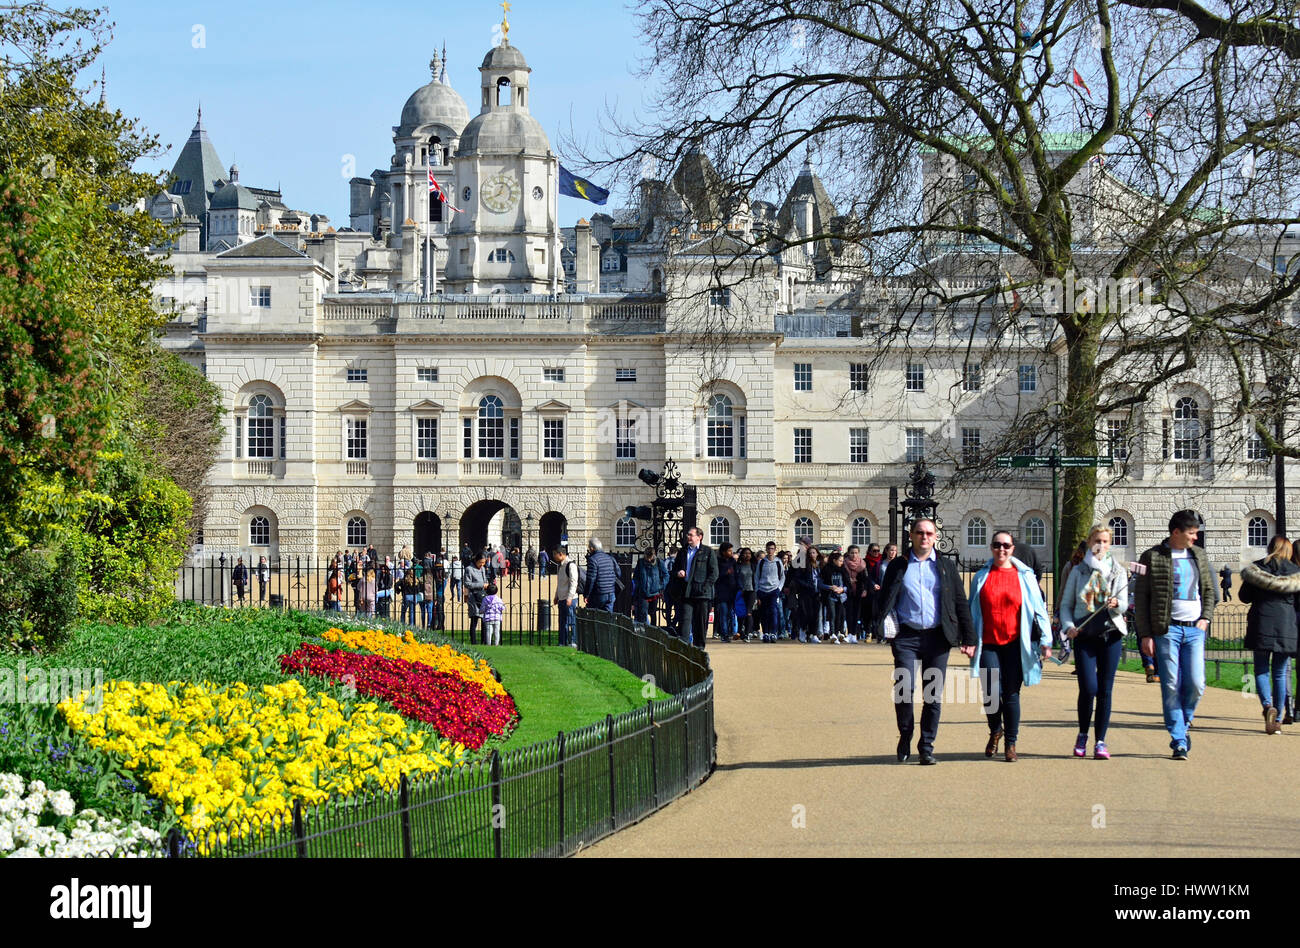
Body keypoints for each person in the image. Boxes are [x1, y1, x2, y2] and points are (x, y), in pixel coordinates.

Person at [876, 518, 977, 764]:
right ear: (910, 536)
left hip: (937, 636)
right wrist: (881, 623)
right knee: (904, 690)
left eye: (929, 533)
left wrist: (970, 638)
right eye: (920, 532)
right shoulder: (898, 566)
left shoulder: (945, 566)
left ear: (935, 537)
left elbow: (960, 602)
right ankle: (906, 734)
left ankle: (927, 746)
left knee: (933, 694)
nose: (924, 537)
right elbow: (883, 599)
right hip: (907, 636)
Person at [1134, 510, 1218, 760]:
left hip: (1194, 629)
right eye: (1191, 533)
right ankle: (1178, 739)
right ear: (1176, 533)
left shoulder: (1199, 555)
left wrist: (1206, 618)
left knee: (1196, 683)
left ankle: (1185, 720)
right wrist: (1145, 635)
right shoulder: (1152, 556)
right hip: (1166, 628)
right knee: (1170, 683)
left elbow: (1209, 590)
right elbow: (1141, 597)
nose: (1195, 538)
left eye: (1196, 533)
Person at [968, 531, 1052, 762]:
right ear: (991, 547)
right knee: (991, 693)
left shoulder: (1025, 576)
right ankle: (996, 729)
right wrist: (967, 640)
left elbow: (1039, 610)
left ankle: (1010, 743)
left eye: (1006, 545)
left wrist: (1046, 640)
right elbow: (970, 610)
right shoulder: (981, 576)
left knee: (1011, 694)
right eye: (997, 545)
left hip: (1016, 643)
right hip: (989, 643)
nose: (1001, 549)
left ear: (1013, 548)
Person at [1058, 524, 1129, 759]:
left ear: (1110, 544)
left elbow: (1125, 603)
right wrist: (1069, 627)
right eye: (1097, 541)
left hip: (1110, 634)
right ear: (1090, 542)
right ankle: (1082, 734)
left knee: (1105, 691)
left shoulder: (1118, 571)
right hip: (1085, 636)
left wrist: (1117, 604)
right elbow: (1066, 605)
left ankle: (1101, 741)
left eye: (1106, 541)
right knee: (1089, 688)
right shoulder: (1078, 571)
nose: (1101, 545)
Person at [1239, 536, 1299, 735]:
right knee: (1281, 673)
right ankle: (1279, 719)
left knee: (1261, 669)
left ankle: (1267, 706)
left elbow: (1244, 597)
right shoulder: (1295, 573)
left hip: (1261, 621)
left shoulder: (1256, 569)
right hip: (1286, 625)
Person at [668, 527, 718, 647]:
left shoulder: (708, 551)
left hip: (701, 594)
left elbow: (714, 573)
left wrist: (704, 587)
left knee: (700, 624)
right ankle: (684, 649)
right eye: (688, 535)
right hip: (686, 592)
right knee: (684, 621)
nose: (688, 537)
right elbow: (673, 570)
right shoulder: (683, 551)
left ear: (699, 537)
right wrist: (678, 573)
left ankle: (699, 649)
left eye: (691, 535)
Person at [755, 541, 786, 642]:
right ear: (766, 549)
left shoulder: (778, 562)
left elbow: (782, 576)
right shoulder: (762, 562)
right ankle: (766, 633)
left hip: (774, 590)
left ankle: (773, 632)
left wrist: (779, 588)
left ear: (775, 549)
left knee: (773, 611)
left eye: (772, 548)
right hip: (762, 590)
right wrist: (757, 589)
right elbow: (757, 576)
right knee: (764, 613)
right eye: (768, 548)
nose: (770, 551)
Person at [870, 544, 899, 642]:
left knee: (894, 614)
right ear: (886, 551)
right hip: (882, 592)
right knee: (882, 614)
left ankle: (893, 635)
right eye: (891, 550)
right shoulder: (880, 564)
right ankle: (881, 635)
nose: (892, 552)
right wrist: (874, 584)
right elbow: (871, 578)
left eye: (894, 550)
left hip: (894, 593)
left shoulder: (899, 564)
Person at [634, 548, 670, 626]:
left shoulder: (659, 562)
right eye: (647, 557)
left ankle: (653, 632)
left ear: (653, 556)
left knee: (653, 613)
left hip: (655, 593)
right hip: (643, 593)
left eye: (650, 557)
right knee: (643, 614)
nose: (649, 559)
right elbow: (636, 576)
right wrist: (639, 585)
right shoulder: (640, 563)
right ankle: (643, 633)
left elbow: (666, 575)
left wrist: (660, 585)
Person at [820, 551, 850, 642]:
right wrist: (830, 587)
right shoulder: (826, 570)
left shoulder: (844, 570)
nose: (842, 562)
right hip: (830, 596)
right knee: (832, 615)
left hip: (842, 597)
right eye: (840, 560)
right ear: (834, 560)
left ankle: (839, 632)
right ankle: (832, 633)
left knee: (840, 615)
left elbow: (848, 585)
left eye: (842, 561)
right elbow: (820, 584)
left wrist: (843, 589)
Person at [553, 547, 580, 647]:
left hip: (570, 599)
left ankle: (573, 641)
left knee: (571, 621)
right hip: (562, 598)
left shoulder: (570, 565)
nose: (554, 557)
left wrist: (570, 597)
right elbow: (560, 583)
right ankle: (562, 642)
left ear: (560, 554)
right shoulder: (560, 566)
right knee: (562, 621)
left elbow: (573, 583)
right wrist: (556, 596)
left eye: (555, 554)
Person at [584, 539, 620, 612]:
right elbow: (618, 573)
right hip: (611, 592)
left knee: (596, 618)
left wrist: (586, 595)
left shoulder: (592, 560)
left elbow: (591, 579)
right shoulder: (610, 558)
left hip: (598, 594)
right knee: (608, 619)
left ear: (591, 548)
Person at [713, 543, 739, 641]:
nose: (731, 552)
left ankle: (731, 631)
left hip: (732, 591)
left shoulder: (733, 561)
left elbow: (736, 575)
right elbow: (716, 575)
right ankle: (724, 634)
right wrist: (725, 573)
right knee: (723, 613)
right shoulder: (718, 561)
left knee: (730, 614)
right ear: (723, 552)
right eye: (729, 550)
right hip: (722, 592)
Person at [464, 554, 488, 644]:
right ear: (476, 561)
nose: (482, 564)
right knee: (474, 620)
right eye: (481, 562)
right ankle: (474, 642)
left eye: (484, 563)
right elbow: (467, 584)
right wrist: (481, 585)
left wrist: (486, 584)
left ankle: (484, 641)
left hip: (482, 596)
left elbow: (485, 580)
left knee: (484, 620)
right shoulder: (469, 569)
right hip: (473, 596)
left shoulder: (482, 569)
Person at [736, 548, 757, 641]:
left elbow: (757, 580)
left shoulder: (754, 566)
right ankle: (740, 631)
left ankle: (748, 633)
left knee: (749, 612)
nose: (747, 555)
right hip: (741, 592)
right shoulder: (738, 566)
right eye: (745, 553)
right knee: (741, 613)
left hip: (751, 591)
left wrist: (758, 594)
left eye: (749, 553)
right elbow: (736, 579)